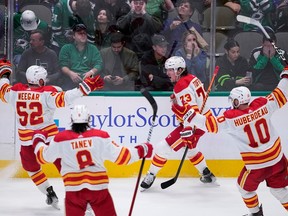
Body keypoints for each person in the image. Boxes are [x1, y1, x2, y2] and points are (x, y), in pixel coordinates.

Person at [171, 69, 288, 215]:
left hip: (256, 166)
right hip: (278, 160)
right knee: (279, 191)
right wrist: (286, 74)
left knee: (244, 189)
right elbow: (281, 93)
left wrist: (189, 115)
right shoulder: (264, 105)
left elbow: (210, 125)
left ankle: (256, 213)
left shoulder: (232, 119)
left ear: (237, 101)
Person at [0, 60, 104, 210]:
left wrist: (5, 72)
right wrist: (86, 88)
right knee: (67, 168)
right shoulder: (47, 93)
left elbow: (3, 89)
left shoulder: (15, 92)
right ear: (41, 80)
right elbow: (66, 98)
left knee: (32, 169)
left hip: (27, 143)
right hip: (50, 140)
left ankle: (49, 192)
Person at [32, 104, 153, 216]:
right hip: (99, 191)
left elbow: (43, 158)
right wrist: (142, 150)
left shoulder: (61, 139)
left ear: (72, 120)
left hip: (73, 193)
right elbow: (123, 157)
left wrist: (38, 141)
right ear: (89, 119)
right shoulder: (100, 136)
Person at [140, 56, 216, 190]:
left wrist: (188, 129)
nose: (167, 73)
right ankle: (206, 173)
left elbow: (192, 112)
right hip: (204, 121)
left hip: (194, 125)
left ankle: (151, 174)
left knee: (163, 147)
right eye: (167, 70)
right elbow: (193, 105)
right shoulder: (192, 78)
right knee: (190, 150)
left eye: (171, 70)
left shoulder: (181, 86)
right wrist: (178, 103)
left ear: (180, 70)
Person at [59, 23, 103, 90]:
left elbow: (99, 64)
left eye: (84, 33)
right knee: (64, 91)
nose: (83, 35)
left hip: (89, 79)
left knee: (100, 89)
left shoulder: (93, 48)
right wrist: (71, 73)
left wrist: (91, 72)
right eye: (80, 33)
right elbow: (63, 66)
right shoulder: (66, 48)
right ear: (74, 36)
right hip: (71, 79)